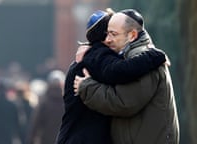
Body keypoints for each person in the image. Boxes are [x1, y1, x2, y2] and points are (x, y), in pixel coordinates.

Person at [56, 9, 167, 144]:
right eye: (109, 33)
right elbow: (121, 71)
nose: (110, 38)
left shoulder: (92, 55)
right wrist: (155, 55)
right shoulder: (98, 58)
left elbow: (133, 28)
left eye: (113, 33)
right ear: (103, 36)